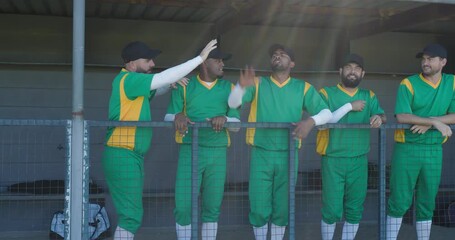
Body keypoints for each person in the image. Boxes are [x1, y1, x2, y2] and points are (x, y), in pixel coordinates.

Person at [102, 39, 217, 240]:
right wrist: (199, 59)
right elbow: (162, 77)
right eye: (147, 60)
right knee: (131, 216)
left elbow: (157, 87)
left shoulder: (132, 83)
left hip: (129, 155)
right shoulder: (129, 79)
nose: (152, 65)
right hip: (123, 154)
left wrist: (170, 84)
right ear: (131, 63)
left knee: (131, 215)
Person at [228, 44, 333, 240]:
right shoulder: (257, 82)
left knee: (282, 207)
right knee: (259, 206)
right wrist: (241, 87)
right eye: (274, 55)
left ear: (292, 63)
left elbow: (326, 112)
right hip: (261, 152)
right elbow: (233, 103)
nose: (277, 56)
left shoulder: (303, 87)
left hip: (289, 153)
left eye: (282, 55)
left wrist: (310, 122)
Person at [164, 48, 240, 240]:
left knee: (212, 205)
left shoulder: (229, 88)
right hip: (191, 150)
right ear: (204, 63)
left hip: (218, 151)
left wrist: (224, 117)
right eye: (218, 60)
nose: (222, 64)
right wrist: (177, 116)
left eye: (223, 60)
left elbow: (237, 125)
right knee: (183, 204)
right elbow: (168, 116)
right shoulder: (185, 85)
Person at [386, 43, 455, 240]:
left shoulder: (451, 82)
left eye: (430, 59)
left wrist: (431, 123)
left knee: (427, 201)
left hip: (434, 149)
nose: (425, 62)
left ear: (443, 62)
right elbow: (402, 116)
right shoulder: (408, 83)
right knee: (399, 200)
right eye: (423, 59)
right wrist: (434, 121)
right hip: (407, 147)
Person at [316, 54, 386, 240]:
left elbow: (382, 115)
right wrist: (349, 106)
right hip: (333, 158)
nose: (352, 71)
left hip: (359, 159)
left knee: (355, 208)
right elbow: (322, 123)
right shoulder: (326, 93)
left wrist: (379, 118)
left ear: (363, 73)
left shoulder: (368, 95)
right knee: (331, 208)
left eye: (356, 68)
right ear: (340, 71)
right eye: (348, 67)